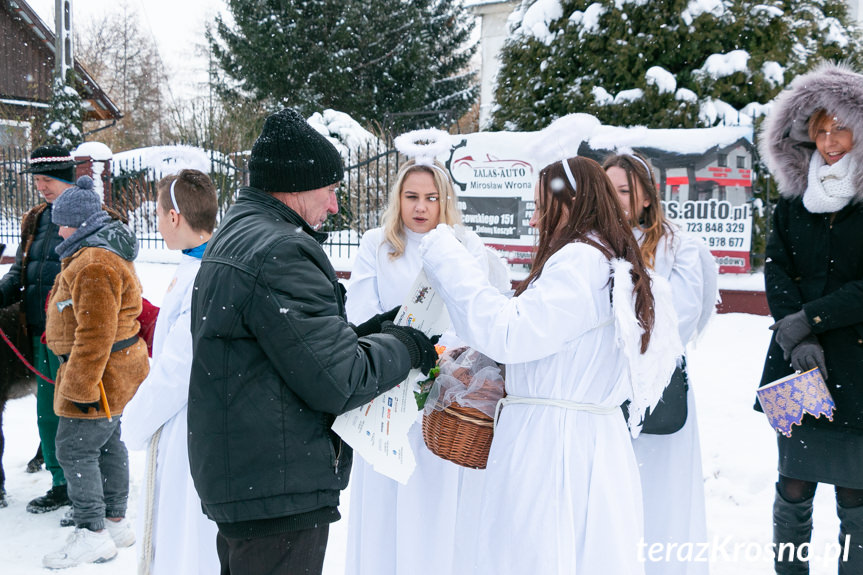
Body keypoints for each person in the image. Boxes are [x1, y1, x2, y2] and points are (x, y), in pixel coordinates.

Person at [188, 108, 439, 575]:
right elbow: (338, 379)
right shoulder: (282, 249)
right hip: (276, 490)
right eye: (331, 190)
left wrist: (379, 331)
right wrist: (410, 345)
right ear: (297, 185)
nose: (335, 206)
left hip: (250, 476)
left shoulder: (239, 235)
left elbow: (294, 350)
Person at [419, 156, 681, 574]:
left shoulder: (581, 261)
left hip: (552, 446)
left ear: (571, 202)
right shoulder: (606, 257)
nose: (537, 220)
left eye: (543, 206)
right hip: (582, 439)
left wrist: (448, 259)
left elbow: (510, 333)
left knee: (535, 554)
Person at [344, 158, 510, 575]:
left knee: (434, 500)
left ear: (444, 201)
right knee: (385, 500)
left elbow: (474, 313)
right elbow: (363, 311)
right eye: (412, 197)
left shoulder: (465, 246)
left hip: (441, 395)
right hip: (385, 386)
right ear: (398, 199)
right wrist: (402, 349)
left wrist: (442, 355)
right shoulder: (377, 245)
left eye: (431, 198)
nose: (421, 207)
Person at [758, 62, 863, 575]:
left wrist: (810, 321)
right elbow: (777, 269)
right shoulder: (792, 204)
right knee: (793, 483)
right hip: (798, 362)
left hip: (859, 368)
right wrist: (793, 334)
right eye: (819, 129)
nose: (829, 140)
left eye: (839, 127)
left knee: (855, 489)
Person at [604, 152, 716, 575]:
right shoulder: (592, 243)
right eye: (608, 190)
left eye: (625, 191)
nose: (615, 200)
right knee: (612, 496)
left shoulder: (680, 246)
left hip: (659, 391)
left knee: (661, 497)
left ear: (647, 197)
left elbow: (683, 316)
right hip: (605, 389)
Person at [41, 176, 150, 568]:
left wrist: (79, 387)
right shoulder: (96, 252)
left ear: (82, 223)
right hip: (117, 373)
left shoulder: (94, 263)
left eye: (64, 223)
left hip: (100, 377)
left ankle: (91, 532)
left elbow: (95, 333)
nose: (60, 229)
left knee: (73, 447)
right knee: (106, 443)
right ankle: (114, 521)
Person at [121, 170, 220, 575]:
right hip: (185, 423)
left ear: (175, 217)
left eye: (160, 213)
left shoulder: (204, 276)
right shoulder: (194, 266)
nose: (158, 223)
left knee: (186, 541)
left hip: (187, 427)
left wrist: (134, 423)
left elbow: (178, 368)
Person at [0, 145, 81, 514]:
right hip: (37, 327)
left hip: (74, 332)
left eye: (47, 180)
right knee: (47, 412)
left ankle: (87, 487)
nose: (41, 187)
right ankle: (61, 483)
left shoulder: (89, 214)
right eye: (37, 180)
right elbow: (21, 272)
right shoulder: (36, 218)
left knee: (78, 412)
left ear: (66, 177)